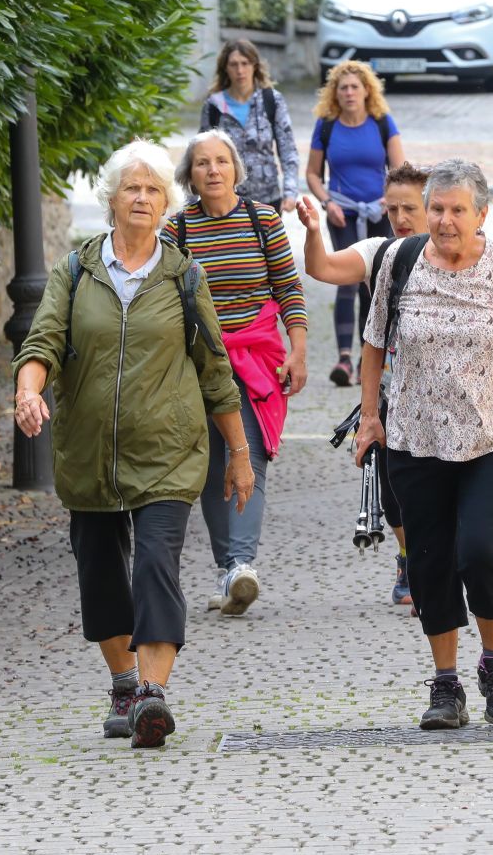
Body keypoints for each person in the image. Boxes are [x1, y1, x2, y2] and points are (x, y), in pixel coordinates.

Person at [12, 140, 252, 750]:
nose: (142, 198)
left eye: (152, 190)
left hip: (169, 450)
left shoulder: (183, 275)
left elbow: (214, 368)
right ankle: (123, 680)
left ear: (166, 203)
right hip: (89, 450)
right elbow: (40, 341)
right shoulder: (75, 272)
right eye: (131, 189)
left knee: (154, 565)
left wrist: (240, 452)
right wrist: (28, 392)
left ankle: (151, 695)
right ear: (111, 200)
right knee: (100, 572)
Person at [357, 159, 493, 730]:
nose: (444, 221)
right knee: (429, 562)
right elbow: (374, 344)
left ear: (482, 214)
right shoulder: (400, 263)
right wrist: (372, 418)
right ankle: (446, 685)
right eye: (437, 209)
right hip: (415, 440)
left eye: (456, 210)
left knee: (480, 551)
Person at [167, 130, 309, 618]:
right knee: (209, 467)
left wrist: (300, 350)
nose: (212, 170)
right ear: (190, 175)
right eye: (202, 163)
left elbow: (289, 288)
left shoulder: (261, 219)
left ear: (235, 169)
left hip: (254, 360)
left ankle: (241, 563)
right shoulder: (178, 230)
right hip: (197, 362)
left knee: (247, 454)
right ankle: (231, 570)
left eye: (221, 162)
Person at [296, 163, 432, 608]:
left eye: (409, 208)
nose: (398, 217)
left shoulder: (467, 257)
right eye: (391, 208)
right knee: (394, 491)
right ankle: (410, 556)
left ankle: (440, 559)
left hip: (450, 395)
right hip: (392, 393)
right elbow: (321, 267)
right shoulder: (381, 252)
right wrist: (314, 230)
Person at [305, 60, 407, 385]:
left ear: (366, 91)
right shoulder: (327, 125)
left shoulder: (381, 122)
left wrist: (388, 201)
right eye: (343, 87)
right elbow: (312, 173)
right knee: (346, 280)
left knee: (375, 284)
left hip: (379, 212)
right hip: (342, 212)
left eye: (354, 87)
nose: (349, 93)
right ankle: (344, 360)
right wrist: (327, 202)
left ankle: (370, 356)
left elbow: (400, 169)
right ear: (335, 92)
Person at [198, 39, 301, 209]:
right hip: (227, 201)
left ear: (255, 66)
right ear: (225, 68)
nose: (240, 71)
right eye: (234, 64)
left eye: (245, 63)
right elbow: (201, 154)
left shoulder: (271, 100)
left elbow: (288, 149)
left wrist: (290, 191)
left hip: (268, 199)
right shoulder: (214, 105)